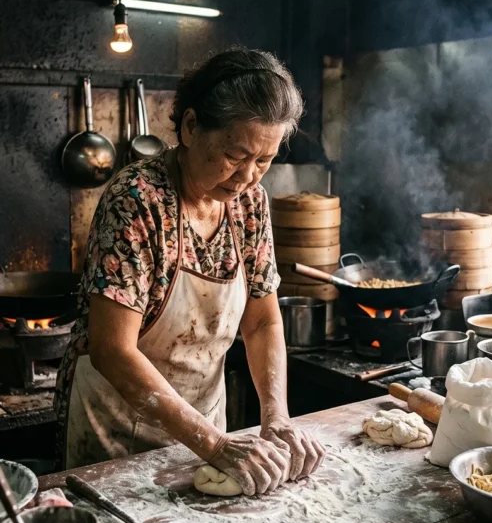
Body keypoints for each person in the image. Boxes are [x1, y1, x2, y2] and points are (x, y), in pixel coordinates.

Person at [55, 47, 326, 493]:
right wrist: (215, 446)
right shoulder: (137, 200)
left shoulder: (250, 204)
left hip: (206, 427)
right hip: (115, 428)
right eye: (236, 155)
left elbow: (261, 320)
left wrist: (275, 415)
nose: (247, 178)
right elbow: (111, 349)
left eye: (265, 160)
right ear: (191, 126)